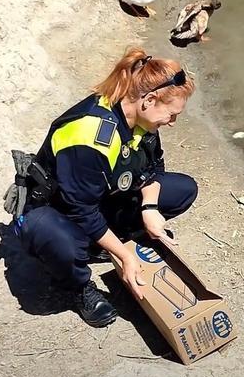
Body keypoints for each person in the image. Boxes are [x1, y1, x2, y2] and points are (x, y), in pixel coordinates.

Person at [15, 47, 198, 327]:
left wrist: (149, 208)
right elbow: (81, 210)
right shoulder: (88, 136)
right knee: (50, 234)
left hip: (100, 198)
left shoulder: (142, 122)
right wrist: (124, 256)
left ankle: (105, 242)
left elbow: (154, 169)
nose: (172, 123)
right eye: (172, 115)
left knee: (183, 189)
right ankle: (77, 285)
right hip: (61, 211)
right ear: (149, 100)